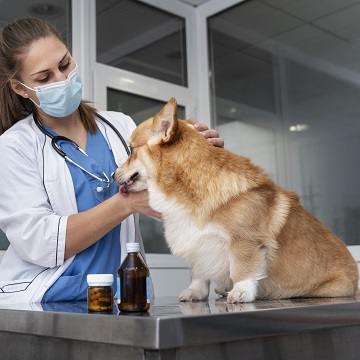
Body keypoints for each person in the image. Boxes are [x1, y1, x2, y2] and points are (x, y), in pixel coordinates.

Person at [0, 17, 224, 304]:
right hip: (49, 300)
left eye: (65, 64)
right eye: (44, 78)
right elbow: (39, 242)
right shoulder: (14, 147)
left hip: (124, 298)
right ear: (20, 88)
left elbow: (175, 190)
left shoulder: (120, 126)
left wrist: (196, 154)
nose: (62, 79)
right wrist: (126, 204)